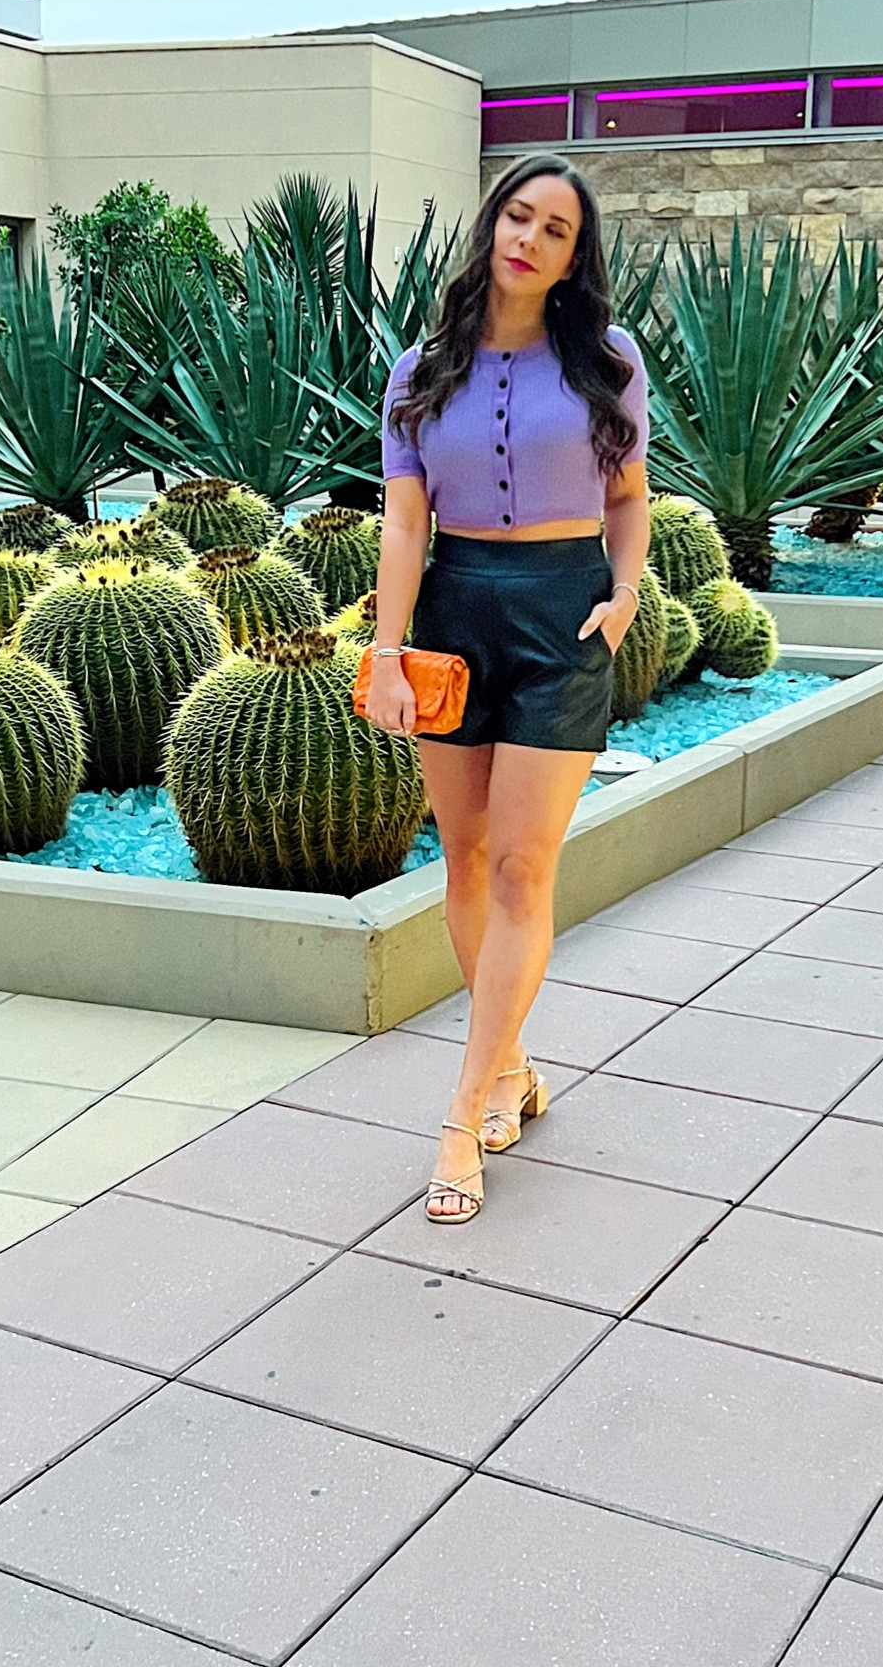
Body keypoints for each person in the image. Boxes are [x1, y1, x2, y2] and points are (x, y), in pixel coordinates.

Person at [367, 152, 650, 1224]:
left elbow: (630, 497)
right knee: (469, 857)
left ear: (576, 260)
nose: (529, 238)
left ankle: (461, 1107)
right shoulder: (419, 367)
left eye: (556, 230)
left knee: (527, 865)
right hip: (457, 609)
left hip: (563, 611)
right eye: (519, 215)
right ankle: (514, 1062)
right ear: (493, 224)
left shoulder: (604, 360)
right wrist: (389, 647)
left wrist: (622, 592)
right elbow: (404, 522)